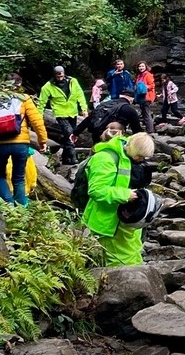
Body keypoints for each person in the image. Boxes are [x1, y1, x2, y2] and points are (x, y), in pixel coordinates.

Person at [81, 131, 154, 266]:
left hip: (126, 223)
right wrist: (126, 195)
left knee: (133, 257)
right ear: (133, 148)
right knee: (120, 263)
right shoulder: (105, 158)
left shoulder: (128, 155)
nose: (141, 160)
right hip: (108, 223)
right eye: (140, 156)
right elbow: (97, 190)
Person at [0, 74, 48, 207]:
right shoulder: (24, 99)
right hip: (20, 144)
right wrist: (43, 140)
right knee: (18, 178)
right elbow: (37, 121)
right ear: (19, 85)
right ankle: (22, 208)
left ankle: (9, 204)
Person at [38, 65, 88, 166]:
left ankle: (65, 159)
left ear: (64, 73)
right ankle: (73, 157)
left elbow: (80, 94)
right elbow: (41, 102)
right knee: (70, 133)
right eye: (57, 75)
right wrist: (38, 116)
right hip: (60, 114)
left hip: (72, 112)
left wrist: (84, 109)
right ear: (54, 75)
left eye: (61, 75)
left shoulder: (73, 81)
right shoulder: (48, 87)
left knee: (72, 134)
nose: (60, 77)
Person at [74, 88, 144, 144]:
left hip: (97, 137)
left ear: (120, 95)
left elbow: (89, 119)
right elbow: (136, 130)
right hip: (113, 140)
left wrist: (75, 133)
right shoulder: (129, 109)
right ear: (131, 99)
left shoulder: (104, 104)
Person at [134, 61, 156, 133]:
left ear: (146, 67)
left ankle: (150, 131)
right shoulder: (139, 76)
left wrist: (145, 87)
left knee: (146, 113)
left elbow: (152, 85)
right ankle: (149, 129)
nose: (141, 68)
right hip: (141, 97)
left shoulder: (148, 75)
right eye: (139, 66)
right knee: (144, 113)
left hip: (146, 97)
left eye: (142, 66)